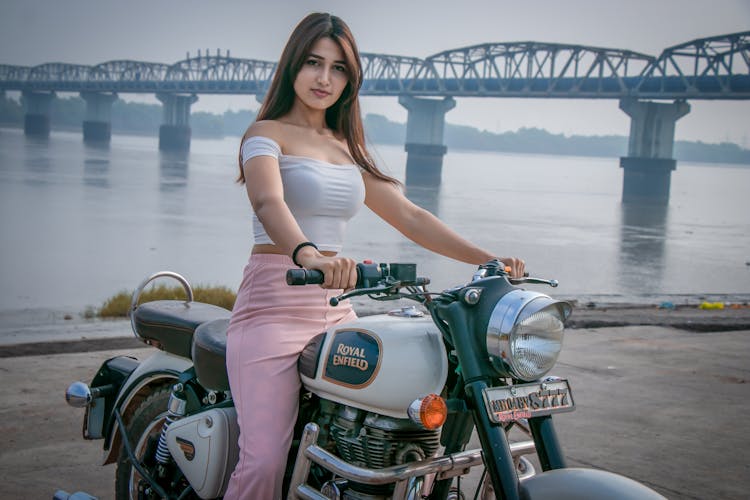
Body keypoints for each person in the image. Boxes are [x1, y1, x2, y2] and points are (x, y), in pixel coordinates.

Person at [224, 12, 525, 499]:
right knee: (263, 461)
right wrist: (309, 255)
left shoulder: (348, 149)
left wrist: (489, 261)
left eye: (339, 68)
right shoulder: (265, 133)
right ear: (292, 68)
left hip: (337, 311)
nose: (325, 79)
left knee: (399, 427)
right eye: (314, 63)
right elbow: (268, 201)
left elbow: (410, 216)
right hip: (271, 309)